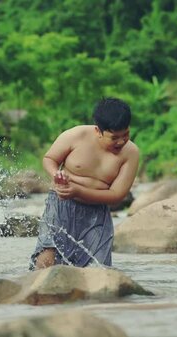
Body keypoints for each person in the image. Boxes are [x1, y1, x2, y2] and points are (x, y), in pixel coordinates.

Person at [30, 97, 139, 270]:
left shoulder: (131, 153)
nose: (121, 141)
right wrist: (56, 174)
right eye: (114, 137)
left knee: (97, 269)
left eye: (125, 135)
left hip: (97, 213)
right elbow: (50, 158)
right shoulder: (76, 135)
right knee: (47, 256)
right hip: (60, 204)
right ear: (98, 131)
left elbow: (116, 195)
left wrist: (77, 191)